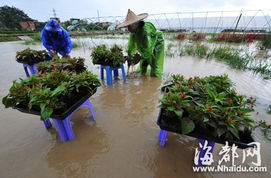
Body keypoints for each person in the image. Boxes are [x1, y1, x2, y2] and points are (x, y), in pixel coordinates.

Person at [117, 9, 164, 77]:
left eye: (131, 25)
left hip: (157, 41)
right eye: (128, 26)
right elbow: (131, 44)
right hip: (147, 45)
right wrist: (130, 56)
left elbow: (148, 50)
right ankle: (143, 74)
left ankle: (156, 77)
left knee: (154, 61)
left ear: (137, 23)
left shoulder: (146, 32)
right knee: (143, 62)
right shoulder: (133, 32)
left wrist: (140, 58)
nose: (129, 28)